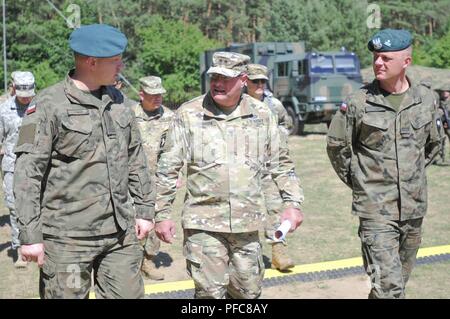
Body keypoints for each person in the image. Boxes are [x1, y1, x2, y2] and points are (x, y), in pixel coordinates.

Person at [13, 24, 154, 299]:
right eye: (115, 61)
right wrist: (30, 236)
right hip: (68, 240)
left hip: (120, 234)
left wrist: (145, 210)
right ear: (91, 62)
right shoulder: (46, 106)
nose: (121, 66)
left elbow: (136, 158)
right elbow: (27, 174)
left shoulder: (119, 101)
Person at [154, 52, 305, 299]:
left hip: (248, 225)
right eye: (214, 76)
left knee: (248, 293)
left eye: (226, 78)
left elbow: (282, 165)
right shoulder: (189, 114)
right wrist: (161, 214)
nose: (218, 83)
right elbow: (167, 168)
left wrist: (293, 203)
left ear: (243, 80)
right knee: (210, 295)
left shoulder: (262, 114)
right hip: (203, 223)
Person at [326, 29, 441, 299]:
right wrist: (360, 182)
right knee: (390, 289)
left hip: (413, 208)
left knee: (395, 283)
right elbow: (337, 146)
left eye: (386, 58)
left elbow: (433, 145)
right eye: (376, 57)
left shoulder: (426, 99)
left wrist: (410, 177)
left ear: (406, 62)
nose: (378, 63)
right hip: (375, 211)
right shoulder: (359, 102)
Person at [245, 63, 294, 271]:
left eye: (262, 81)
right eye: (254, 81)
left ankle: (278, 251)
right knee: (245, 209)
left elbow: (287, 123)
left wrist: (278, 137)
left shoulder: (273, 104)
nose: (259, 85)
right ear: (245, 81)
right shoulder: (238, 104)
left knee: (275, 208)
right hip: (244, 169)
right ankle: (245, 255)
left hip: (269, 168)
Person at [133, 76, 174, 280]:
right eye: (152, 95)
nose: (157, 98)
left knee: (156, 218)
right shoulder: (129, 115)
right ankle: (130, 263)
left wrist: (177, 175)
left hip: (158, 179)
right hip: (130, 180)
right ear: (141, 94)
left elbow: (175, 150)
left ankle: (148, 261)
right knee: (132, 222)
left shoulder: (169, 117)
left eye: (160, 94)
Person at [0, 71, 36, 268]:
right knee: (14, 207)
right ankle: (20, 248)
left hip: (36, 165)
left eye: (29, 94)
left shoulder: (39, 106)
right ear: (14, 89)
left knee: (36, 206)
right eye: (23, 95)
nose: (26, 98)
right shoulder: (4, 109)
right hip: (12, 166)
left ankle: (37, 244)